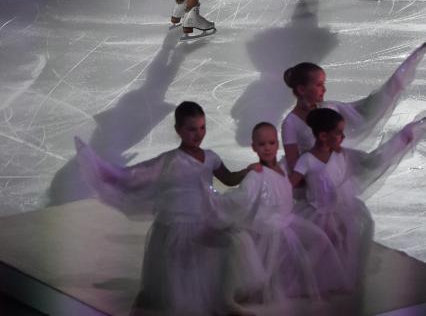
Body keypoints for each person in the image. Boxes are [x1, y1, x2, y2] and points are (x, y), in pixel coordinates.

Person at [75, 101, 263, 315]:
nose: (198, 134)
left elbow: (228, 178)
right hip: (177, 227)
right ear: (178, 130)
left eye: (202, 127)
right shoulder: (170, 161)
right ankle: (179, 300)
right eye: (192, 129)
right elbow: (137, 175)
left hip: (204, 221)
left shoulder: (210, 157)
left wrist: (247, 171)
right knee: (178, 285)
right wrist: (106, 174)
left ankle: (224, 299)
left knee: (234, 241)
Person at [206, 122, 349, 303]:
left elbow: (286, 189)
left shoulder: (282, 168)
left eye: (271, 143)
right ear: (254, 147)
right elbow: (241, 198)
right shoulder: (256, 174)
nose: (267, 148)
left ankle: (294, 282)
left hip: (287, 221)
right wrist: (213, 201)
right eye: (262, 144)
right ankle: (277, 286)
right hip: (270, 227)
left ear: (277, 144)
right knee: (270, 269)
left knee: (319, 240)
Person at [291, 108, 426, 288]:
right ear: (323, 136)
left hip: (340, 207)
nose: (343, 137)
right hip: (318, 211)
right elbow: (289, 183)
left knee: (345, 237)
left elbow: (373, 162)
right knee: (321, 244)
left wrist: (401, 140)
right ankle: (305, 278)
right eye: (339, 133)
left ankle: (334, 276)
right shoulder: (307, 160)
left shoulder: (341, 154)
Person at [281, 42, 426, 172]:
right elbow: (294, 164)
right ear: (301, 89)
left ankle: (417, 128)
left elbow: (366, 111)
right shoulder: (290, 123)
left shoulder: (329, 108)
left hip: (337, 169)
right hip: (317, 178)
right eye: (319, 85)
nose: (324, 89)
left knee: (377, 159)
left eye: (323, 84)